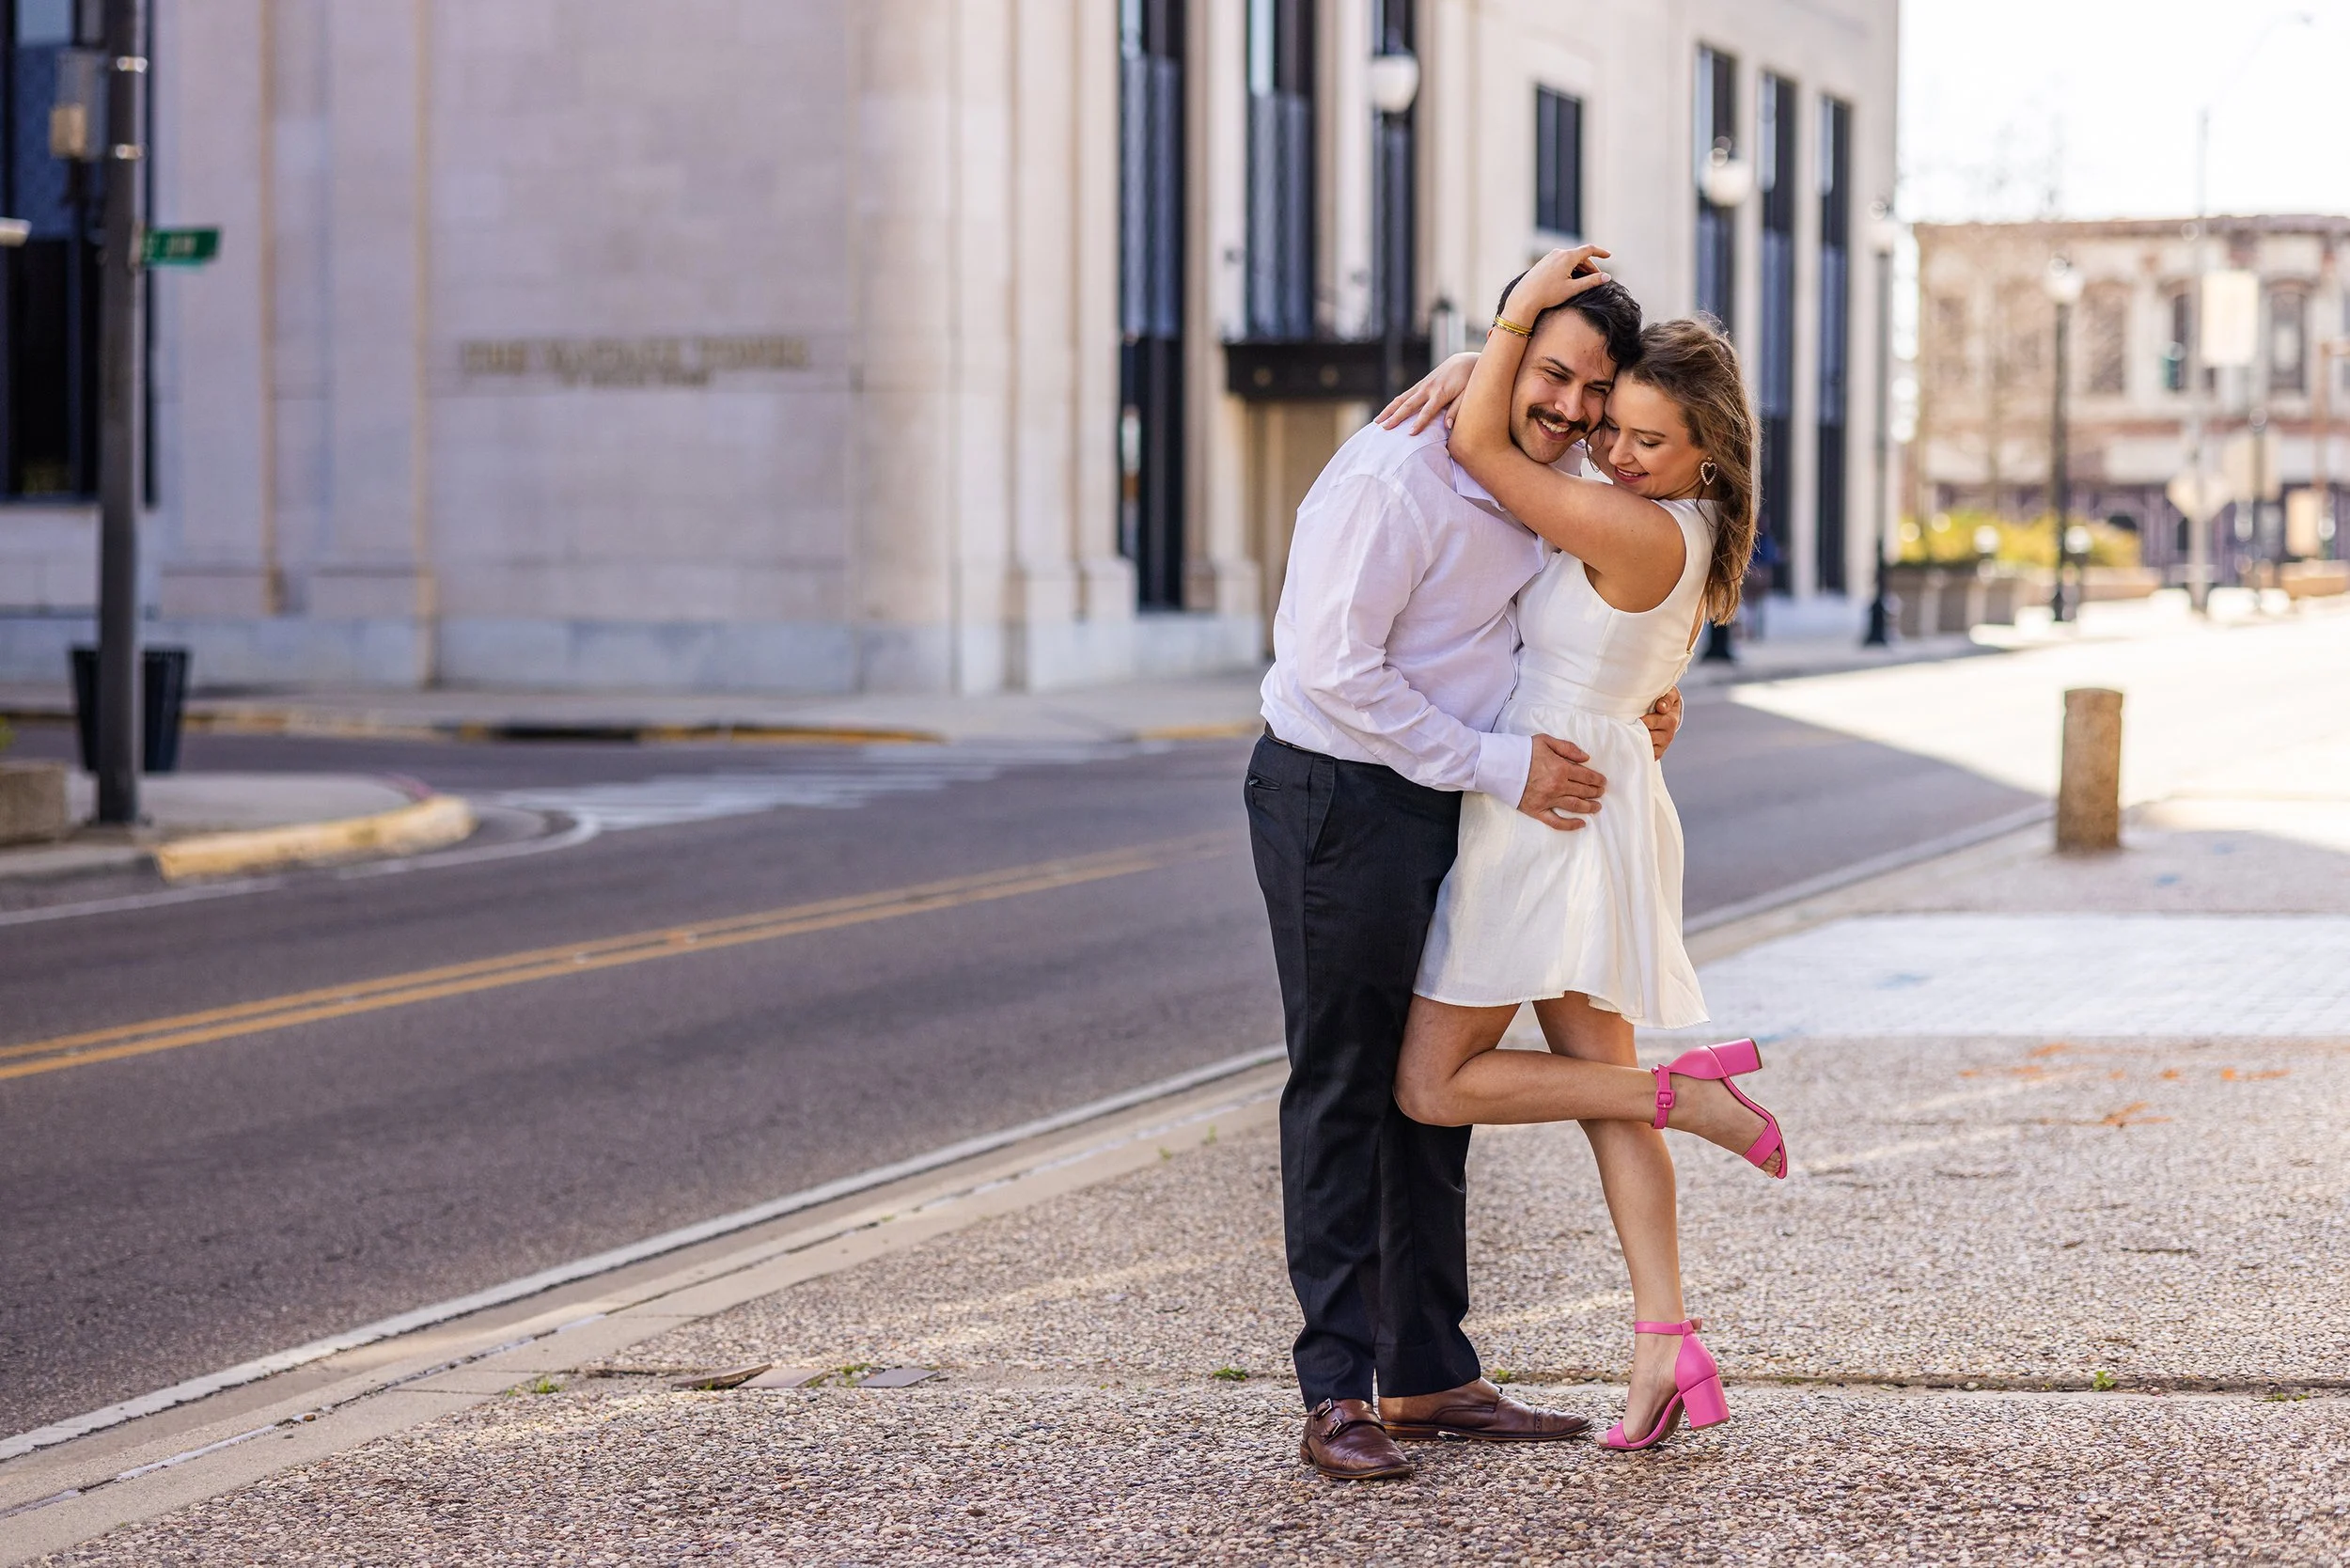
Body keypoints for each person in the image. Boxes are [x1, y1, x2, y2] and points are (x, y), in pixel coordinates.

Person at [1246, 253, 1682, 1482]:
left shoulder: (1533, 468)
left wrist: (1639, 706)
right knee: (1341, 1088)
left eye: (1595, 391)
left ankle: (1429, 1372)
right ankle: (1338, 1390)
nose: (1577, 410)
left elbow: (1571, 623)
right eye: (1553, 374)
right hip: (1338, 798)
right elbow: (1337, 672)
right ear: (1506, 354)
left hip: (1449, 799)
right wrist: (1503, 767)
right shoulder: (1397, 476)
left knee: (1431, 1093)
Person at [1388, 246, 1787, 1453]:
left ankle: (1685, 1093)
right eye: (1613, 428)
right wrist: (1488, 365)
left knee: (1431, 1081)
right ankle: (1667, 1338)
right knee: (1606, 1107)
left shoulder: (1639, 531)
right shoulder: (1683, 522)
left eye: (1646, 442)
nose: (1613, 453)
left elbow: (1479, 451)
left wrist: (1498, 331)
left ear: (1704, 452)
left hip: (1543, 812)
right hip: (1588, 790)